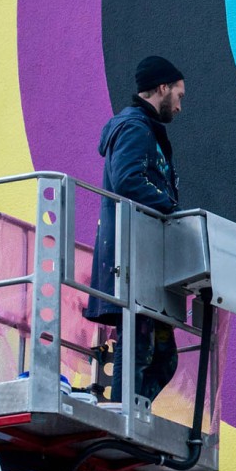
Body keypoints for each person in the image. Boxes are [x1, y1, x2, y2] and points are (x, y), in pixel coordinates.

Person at [83, 56, 186, 402]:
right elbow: (127, 179)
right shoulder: (134, 128)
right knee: (139, 349)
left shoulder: (144, 129)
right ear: (161, 88)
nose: (180, 106)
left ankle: (132, 413)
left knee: (165, 359)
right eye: (178, 95)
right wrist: (171, 209)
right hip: (132, 264)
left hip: (145, 264)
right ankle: (124, 415)